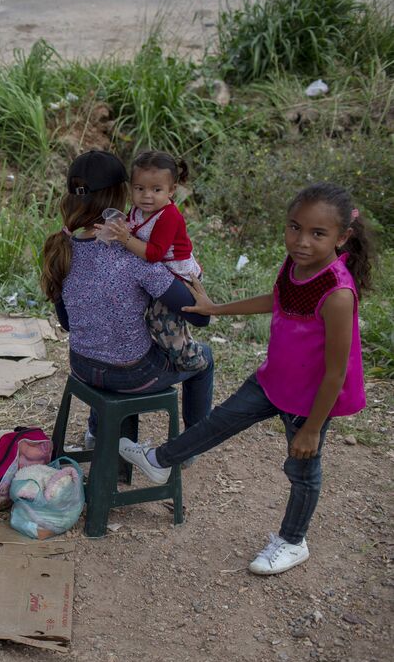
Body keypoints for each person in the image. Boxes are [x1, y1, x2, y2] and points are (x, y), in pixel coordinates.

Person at [119, 183, 371, 576]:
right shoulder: (294, 265)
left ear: (342, 238)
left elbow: (337, 372)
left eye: (317, 234)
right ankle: (160, 461)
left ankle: (292, 541)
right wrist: (215, 309)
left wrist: (313, 429)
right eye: (294, 228)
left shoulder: (338, 293)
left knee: (302, 471)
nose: (302, 241)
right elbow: (278, 299)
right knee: (221, 421)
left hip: (310, 401)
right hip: (273, 380)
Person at [40, 150, 214, 450]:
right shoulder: (135, 255)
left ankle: (99, 437)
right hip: (131, 375)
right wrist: (202, 297)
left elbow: (68, 324)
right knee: (205, 359)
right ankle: (191, 446)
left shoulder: (62, 247)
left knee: (110, 347)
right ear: (124, 195)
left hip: (81, 366)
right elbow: (200, 316)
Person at [100, 150, 206, 371]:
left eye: (156, 190)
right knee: (156, 316)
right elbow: (130, 229)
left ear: (171, 190)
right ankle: (171, 348)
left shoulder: (169, 216)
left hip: (176, 272)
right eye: (140, 189)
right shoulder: (138, 210)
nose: (147, 195)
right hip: (157, 273)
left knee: (163, 320)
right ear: (132, 188)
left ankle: (189, 359)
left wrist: (125, 238)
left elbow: (154, 254)